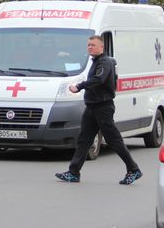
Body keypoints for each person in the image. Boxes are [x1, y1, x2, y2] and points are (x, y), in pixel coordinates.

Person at [55, 35, 142, 185]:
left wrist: (79, 86)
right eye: (88, 45)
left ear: (101, 47)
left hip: (103, 107)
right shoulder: (95, 62)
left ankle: (133, 169)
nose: (90, 47)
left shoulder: (105, 62)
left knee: (114, 140)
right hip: (92, 107)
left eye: (93, 45)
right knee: (84, 140)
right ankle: (73, 172)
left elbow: (99, 79)